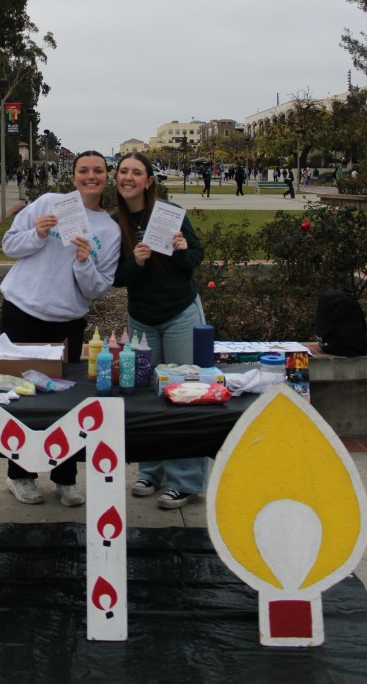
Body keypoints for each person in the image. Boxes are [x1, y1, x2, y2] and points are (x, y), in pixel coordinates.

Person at [0, 150, 121, 507]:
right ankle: (19, 474)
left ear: (106, 177)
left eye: (98, 170)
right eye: (84, 170)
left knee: (66, 402)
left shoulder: (109, 230)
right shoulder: (49, 203)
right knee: (21, 395)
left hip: (67, 321)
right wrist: (37, 234)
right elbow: (9, 245)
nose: (90, 176)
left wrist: (84, 262)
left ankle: (65, 479)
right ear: (73, 176)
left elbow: (99, 288)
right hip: (22, 310)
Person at [113, 152, 208, 510]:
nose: (129, 177)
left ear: (149, 181)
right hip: (142, 320)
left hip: (180, 313)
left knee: (186, 392)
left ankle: (185, 481)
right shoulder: (116, 224)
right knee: (148, 397)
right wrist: (136, 263)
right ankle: (150, 471)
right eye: (123, 171)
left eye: (136, 172)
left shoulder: (170, 214)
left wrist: (181, 250)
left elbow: (195, 257)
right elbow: (115, 278)